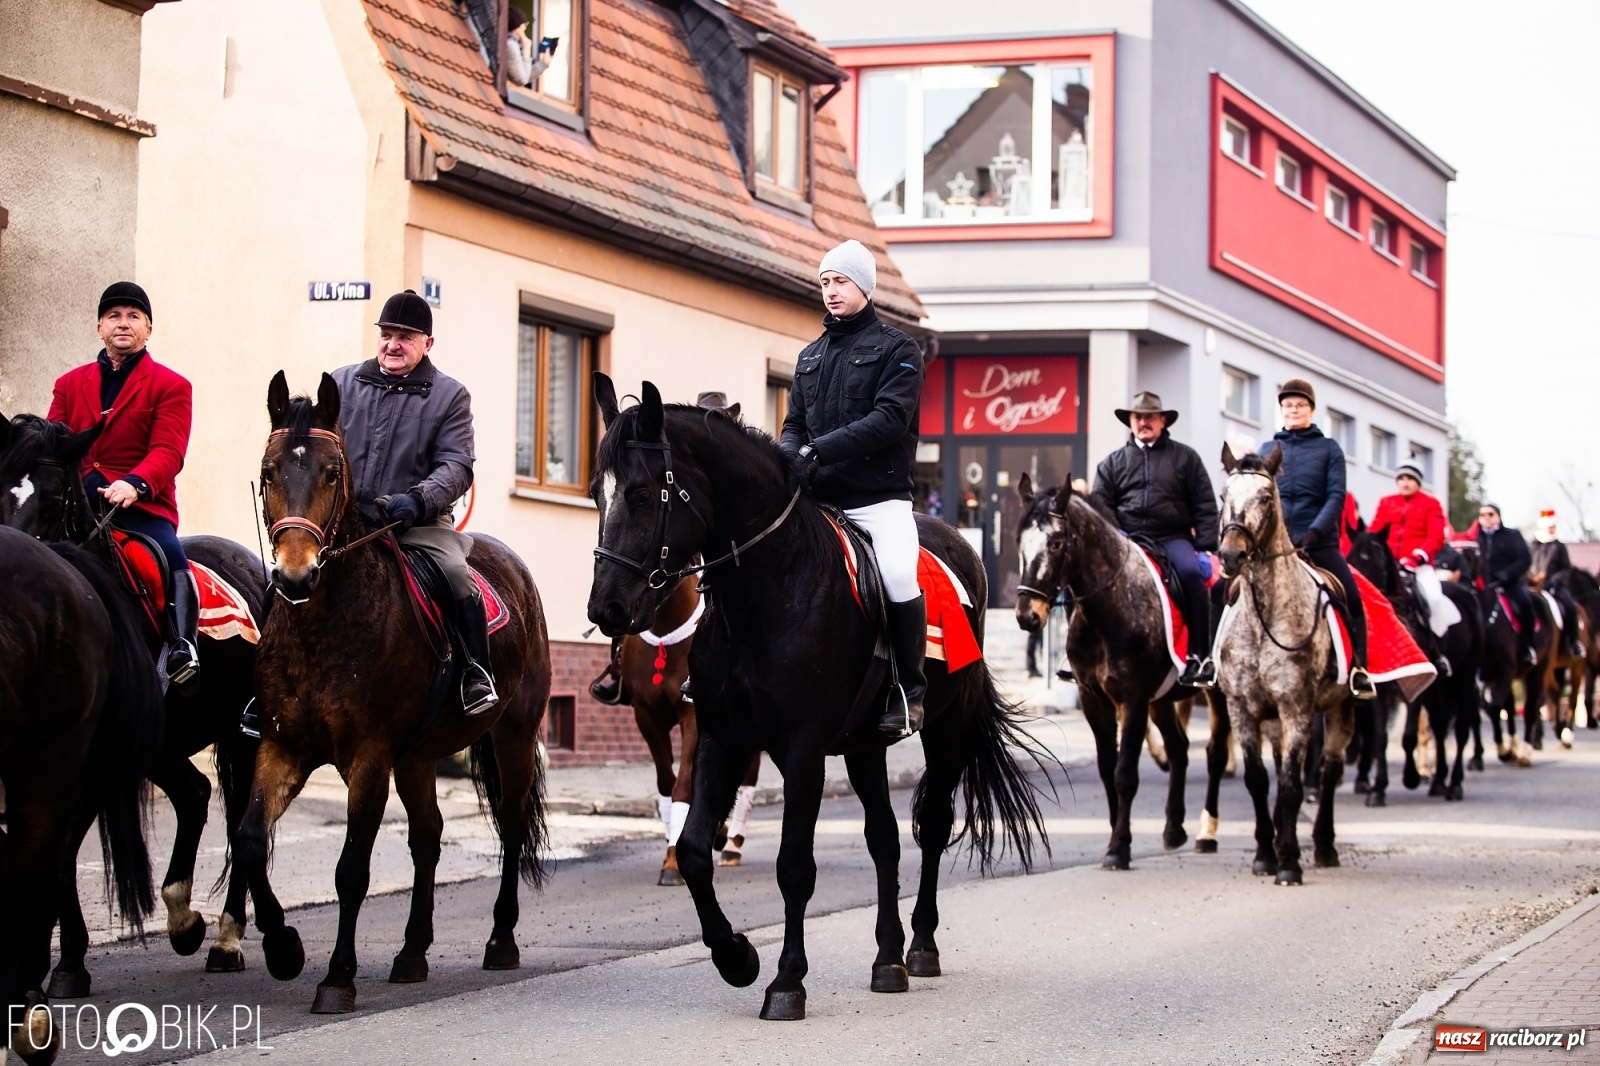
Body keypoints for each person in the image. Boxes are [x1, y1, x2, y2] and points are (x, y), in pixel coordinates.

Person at [780, 239, 927, 736]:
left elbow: (888, 420)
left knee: (898, 576)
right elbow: (794, 424)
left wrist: (818, 452)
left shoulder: (899, 349)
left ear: (864, 285)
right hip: (819, 499)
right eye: (824, 281)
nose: (831, 290)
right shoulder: (809, 357)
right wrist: (787, 460)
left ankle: (910, 690)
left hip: (878, 501)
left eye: (840, 280)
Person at [332, 290, 496, 715]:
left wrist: (418, 500)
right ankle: (265, 684)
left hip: (416, 524)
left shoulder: (450, 396)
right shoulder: (340, 383)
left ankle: (476, 672)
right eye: (386, 334)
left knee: (457, 575)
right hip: (344, 523)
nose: (392, 345)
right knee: (288, 573)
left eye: (405, 337)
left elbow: (458, 465)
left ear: (427, 344)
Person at [49, 281, 200, 685]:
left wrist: (135, 484)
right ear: (99, 327)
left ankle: (183, 646)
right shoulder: (68, 384)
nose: (123, 323)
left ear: (148, 330)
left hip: (140, 507)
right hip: (76, 503)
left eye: (134, 317)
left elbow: (169, 451)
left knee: (171, 556)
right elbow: (54, 444)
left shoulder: (171, 385)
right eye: (114, 316)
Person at [588, 390, 732, 707]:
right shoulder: (685, 449)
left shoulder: (733, 449)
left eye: (718, 415)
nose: (714, 421)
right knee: (635, 582)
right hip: (687, 545)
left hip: (722, 543)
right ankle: (618, 667)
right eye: (710, 414)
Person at [1089, 391, 1219, 686]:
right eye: (1138, 417)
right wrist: (1116, 532)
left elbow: (1205, 504)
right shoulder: (1112, 463)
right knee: (1084, 581)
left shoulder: (1186, 458)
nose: (1143, 422)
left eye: (1149, 417)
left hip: (1173, 539)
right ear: (1131, 422)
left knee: (1190, 576)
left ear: (1163, 421)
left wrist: (1206, 549)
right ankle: (1081, 657)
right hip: (1128, 540)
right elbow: (1099, 501)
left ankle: (1201, 655)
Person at [1261, 378, 1376, 699]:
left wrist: (1314, 532)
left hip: (1318, 543)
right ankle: (1218, 660)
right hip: (1275, 547)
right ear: (1281, 410)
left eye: (1299, 405)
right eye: (1288, 406)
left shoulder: (1329, 449)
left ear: (1311, 409)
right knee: (1222, 591)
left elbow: (1336, 496)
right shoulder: (1267, 450)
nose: (1293, 410)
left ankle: (1359, 669)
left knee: (1352, 598)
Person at [1475, 503, 1537, 666]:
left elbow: (1525, 560)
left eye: (1490, 514)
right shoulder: (1474, 538)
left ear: (1498, 517)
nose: (1487, 518)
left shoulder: (1512, 536)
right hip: (1481, 587)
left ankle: (1527, 647)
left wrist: (1507, 574)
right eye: (1483, 515)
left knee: (1525, 605)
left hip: (1509, 584)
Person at [1370, 463, 1447, 568]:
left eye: (1410, 479)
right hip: (1387, 563)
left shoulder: (1432, 503)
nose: (1405, 484)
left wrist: (1418, 557)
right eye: (1401, 479)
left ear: (1418, 482)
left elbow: (1436, 538)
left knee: (1431, 585)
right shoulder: (1386, 502)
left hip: (1419, 565)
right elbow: (1374, 531)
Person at [1530, 508, 1584, 658]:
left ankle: (1574, 643)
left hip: (1555, 586)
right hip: (1533, 586)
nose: (1553, 530)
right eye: (1550, 527)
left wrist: (1554, 581)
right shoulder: (1532, 546)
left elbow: (1566, 568)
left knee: (1570, 607)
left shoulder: (1559, 546)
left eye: (1554, 527)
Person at [502, 7, 553, 89]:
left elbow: (525, 74)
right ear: (520, 26)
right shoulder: (511, 45)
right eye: (525, 24)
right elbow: (522, 79)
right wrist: (526, 51)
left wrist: (543, 63)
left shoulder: (510, 42)